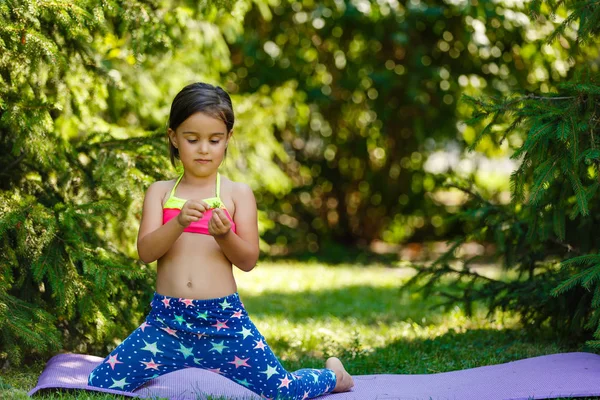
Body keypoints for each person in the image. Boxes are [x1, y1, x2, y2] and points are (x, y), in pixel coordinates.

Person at [87, 82, 354, 399]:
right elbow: (146, 252)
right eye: (192, 139)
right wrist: (179, 222)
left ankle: (334, 376)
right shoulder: (159, 192)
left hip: (224, 323)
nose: (203, 148)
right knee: (100, 383)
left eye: (214, 140)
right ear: (173, 137)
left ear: (227, 139)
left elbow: (247, 260)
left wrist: (225, 234)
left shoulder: (237, 193)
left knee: (282, 392)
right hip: (166, 324)